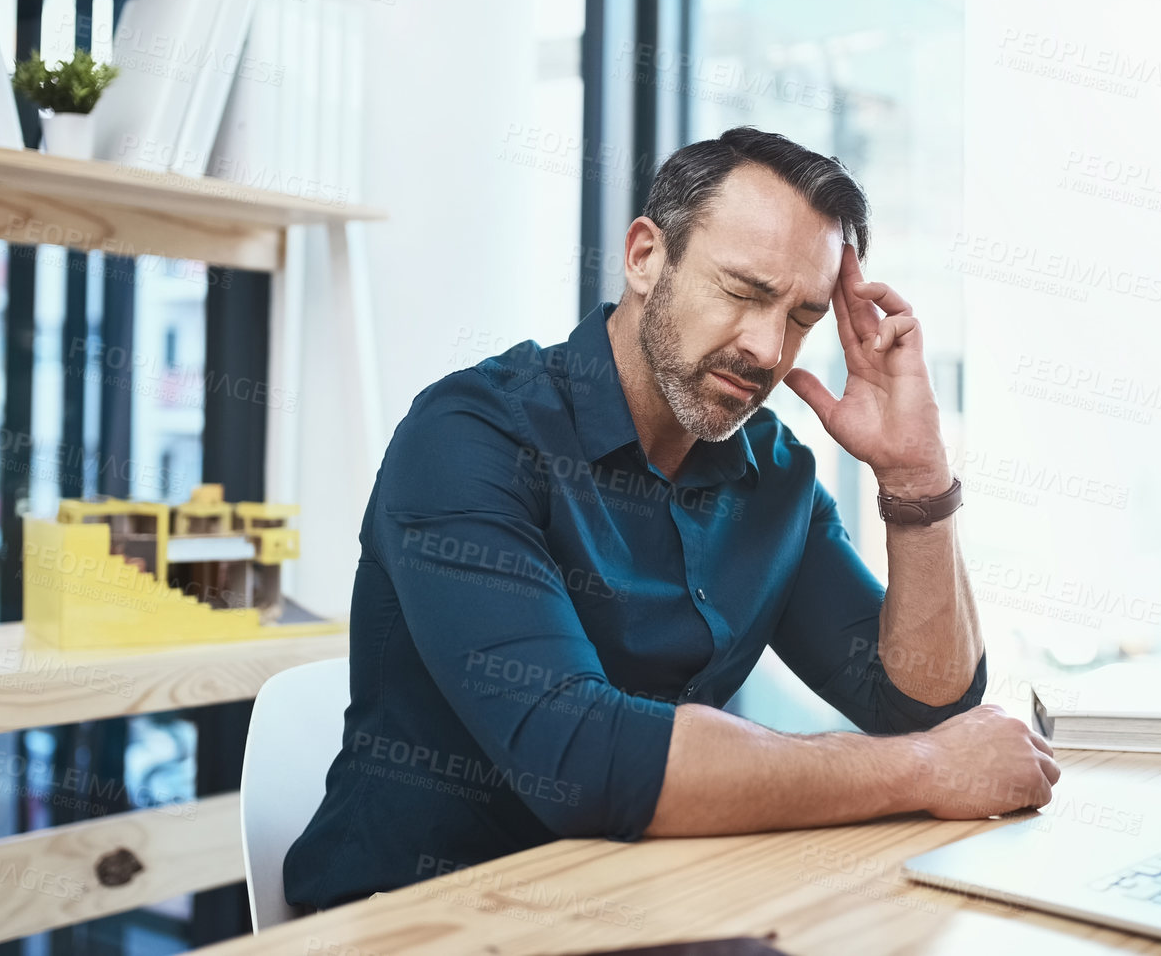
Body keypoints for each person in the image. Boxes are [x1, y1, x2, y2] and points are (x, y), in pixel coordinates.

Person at [283, 127, 1059, 911]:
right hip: (413, 918)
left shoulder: (773, 471)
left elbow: (926, 703)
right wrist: (924, 767)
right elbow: (580, 760)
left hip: (638, 901)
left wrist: (915, 479)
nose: (766, 346)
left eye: (799, 316)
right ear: (645, 256)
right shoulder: (470, 435)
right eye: (743, 291)